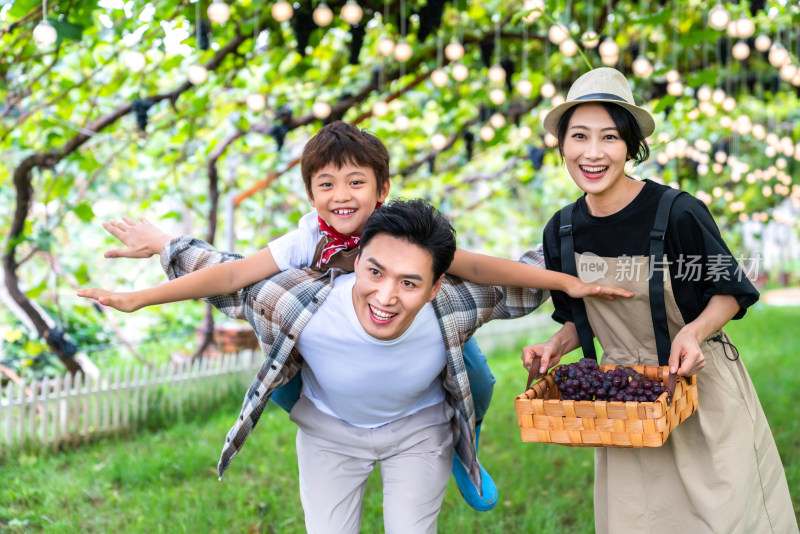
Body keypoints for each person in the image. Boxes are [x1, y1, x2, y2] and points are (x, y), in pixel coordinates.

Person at [78, 121, 631, 511]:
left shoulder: (401, 236)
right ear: (310, 193)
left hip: (414, 337)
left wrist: (564, 281)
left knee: (478, 380)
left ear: (381, 189)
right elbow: (230, 275)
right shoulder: (306, 238)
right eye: (326, 185)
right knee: (290, 372)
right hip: (332, 365)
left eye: (356, 183)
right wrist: (143, 294)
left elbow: (485, 269)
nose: (341, 196)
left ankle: (468, 447)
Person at [94, 198, 549, 533]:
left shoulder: (454, 303)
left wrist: (590, 241)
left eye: (409, 282)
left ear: (434, 288)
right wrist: (161, 243)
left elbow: (524, 275)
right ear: (358, 260)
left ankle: (462, 454)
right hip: (330, 434)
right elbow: (225, 270)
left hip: (419, 428)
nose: (387, 297)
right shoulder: (301, 301)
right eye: (375, 273)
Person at [521, 67, 797, 534]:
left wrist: (693, 331)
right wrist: (555, 346)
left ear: (630, 145)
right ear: (562, 145)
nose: (593, 153)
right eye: (579, 137)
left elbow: (730, 291)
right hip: (627, 406)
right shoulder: (562, 231)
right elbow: (580, 318)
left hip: (699, 389)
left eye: (609, 137)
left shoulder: (678, 212)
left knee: (727, 519)